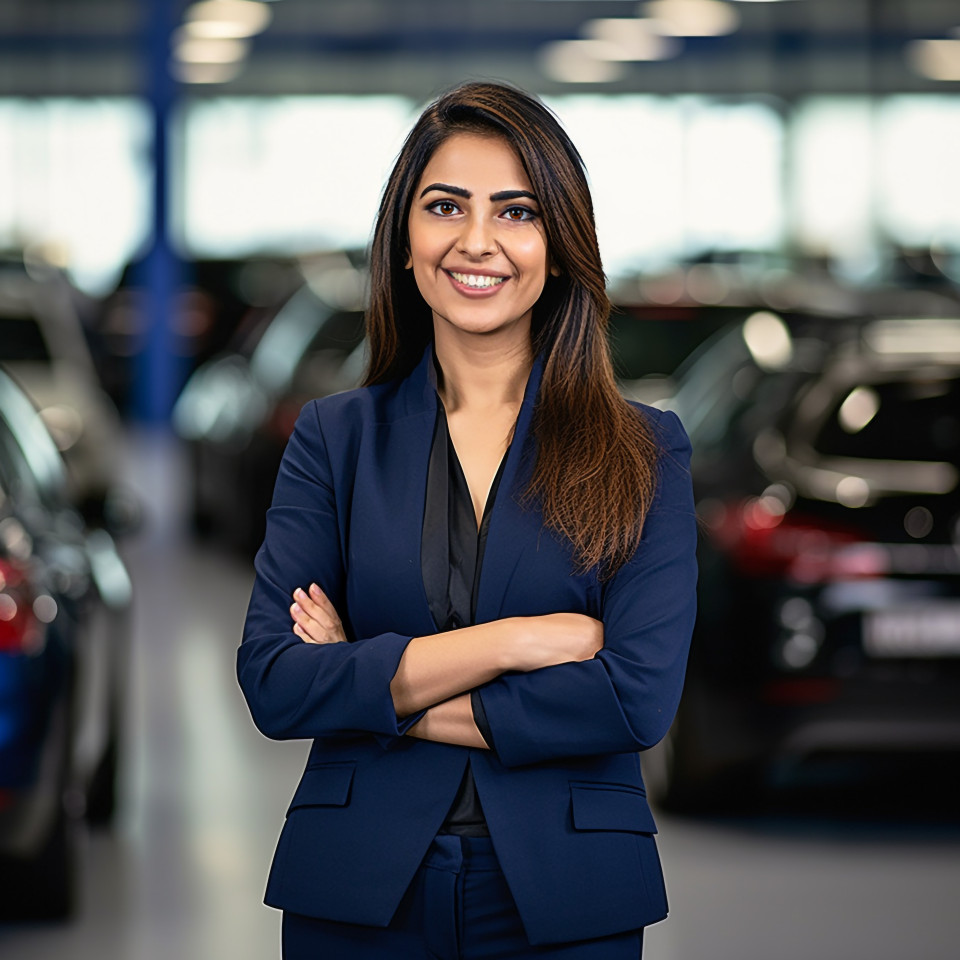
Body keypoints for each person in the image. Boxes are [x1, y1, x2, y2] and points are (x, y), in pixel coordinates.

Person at [238, 80, 697, 959]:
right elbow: (276, 681)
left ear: (559, 247)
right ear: (404, 240)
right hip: (356, 888)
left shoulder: (645, 451)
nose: (476, 241)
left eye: (516, 211)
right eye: (445, 206)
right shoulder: (334, 438)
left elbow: (635, 698)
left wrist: (371, 687)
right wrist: (518, 643)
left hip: (568, 895)